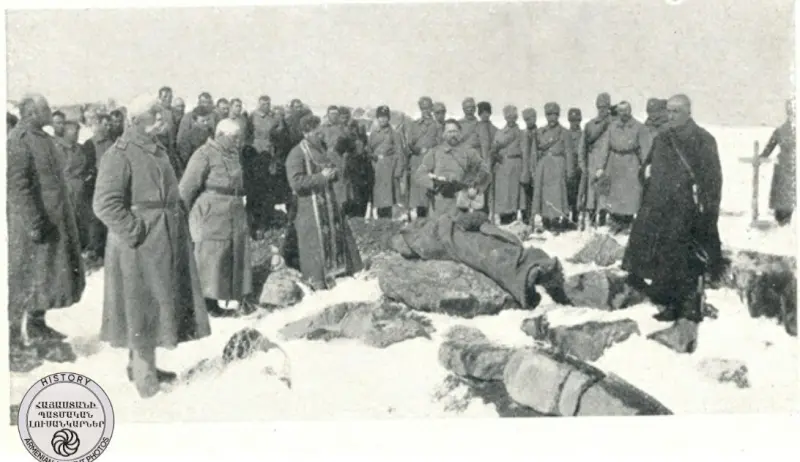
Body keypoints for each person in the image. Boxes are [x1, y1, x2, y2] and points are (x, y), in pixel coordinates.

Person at [93, 93, 210, 398]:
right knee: (141, 307)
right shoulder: (119, 154)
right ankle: (145, 379)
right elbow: (104, 204)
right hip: (139, 246)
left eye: (161, 112)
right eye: (154, 113)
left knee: (154, 305)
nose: (161, 117)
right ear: (136, 120)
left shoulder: (157, 149)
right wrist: (136, 231)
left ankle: (141, 366)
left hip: (163, 239)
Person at [622, 94, 722, 324]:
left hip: (686, 209)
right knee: (665, 257)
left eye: (676, 111)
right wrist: (646, 173)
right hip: (660, 207)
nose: (670, 115)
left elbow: (713, 180)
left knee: (687, 259)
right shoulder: (662, 137)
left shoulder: (703, 139)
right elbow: (646, 167)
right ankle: (669, 303)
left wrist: (708, 210)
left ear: (688, 112)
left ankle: (690, 306)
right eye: (668, 110)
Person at [7, 93, 85, 351]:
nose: (50, 112)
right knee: (23, 283)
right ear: (32, 113)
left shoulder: (44, 138)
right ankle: (12, 343)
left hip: (52, 222)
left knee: (45, 278)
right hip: (32, 226)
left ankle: (37, 326)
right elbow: (18, 188)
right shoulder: (18, 140)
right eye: (46, 109)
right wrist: (33, 223)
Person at [389, 211, 570, 309]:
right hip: (456, 240)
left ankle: (534, 270)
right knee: (488, 254)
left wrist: (457, 222)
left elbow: (458, 221)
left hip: (457, 235)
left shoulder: (425, 231)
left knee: (491, 252)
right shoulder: (421, 238)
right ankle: (533, 271)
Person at [179, 119, 252, 318]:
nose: (238, 141)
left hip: (233, 209)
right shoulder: (203, 154)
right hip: (212, 213)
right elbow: (186, 188)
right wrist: (184, 217)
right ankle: (206, 304)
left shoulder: (233, 154)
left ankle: (227, 298)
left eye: (239, 137)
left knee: (230, 254)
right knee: (211, 257)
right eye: (234, 137)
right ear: (220, 135)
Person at [284, 114, 363, 290]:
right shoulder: (297, 153)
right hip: (309, 206)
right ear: (306, 133)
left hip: (328, 203)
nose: (321, 136)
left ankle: (340, 273)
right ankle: (317, 281)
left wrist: (333, 173)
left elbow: (331, 170)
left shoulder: (321, 149)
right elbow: (295, 183)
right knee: (314, 244)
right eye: (316, 133)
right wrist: (321, 177)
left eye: (321, 132)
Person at [415, 119, 491, 218]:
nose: (453, 135)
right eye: (449, 132)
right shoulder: (434, 152)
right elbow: (419, 175)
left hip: (461, 203)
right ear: (443, 134)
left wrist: (475, 187)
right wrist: (435, 185)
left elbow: (485, 170)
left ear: (460, 133)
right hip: (439, 204)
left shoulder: (469, 151)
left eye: (455, 131)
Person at [595, 101, 652, 234]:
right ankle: (615, 222)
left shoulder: (639, 127)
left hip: (631, 163)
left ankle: (628, 222)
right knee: (614, 195)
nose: (623, 113)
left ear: (630, 110)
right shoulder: (612, 127)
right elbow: (604, 147)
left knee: (630, 195)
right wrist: (600, 167)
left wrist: (646, 167)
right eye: (620, 111)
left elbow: (645, 149)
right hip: (614, 164)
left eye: (626, 110)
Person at [529, 102, 576, 231]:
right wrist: (533, 170)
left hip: (558, 166)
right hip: (543, 168)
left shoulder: (564, 132)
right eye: (549, 115)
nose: (552, 118)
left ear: (558, 115)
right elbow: (534, 152)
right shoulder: (539, 132)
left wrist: (569, 171)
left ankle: (556, 222)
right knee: (543, 195)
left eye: (554, 115)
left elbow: (569, 153)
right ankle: (545, 221)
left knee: (557, 196)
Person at [246, 94, 285, 237]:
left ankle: (265, 223)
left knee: (268, 191)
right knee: (254, 191)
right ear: (258, 104)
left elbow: (280, 134)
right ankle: (252, 224)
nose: (265, 106)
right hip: (255, 157)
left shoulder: (273, 118)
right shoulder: (252, 117)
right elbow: (247, 135)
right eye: (263, 104)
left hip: (270, 157)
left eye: (267, 104)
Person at [82, 114, 115, 264]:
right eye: (105, 124)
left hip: (112, 184)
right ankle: (95, 251)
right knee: (96, 219)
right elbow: (87, 166)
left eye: (109, 125)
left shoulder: (113, 142)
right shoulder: (89, 144)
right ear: (98, 125)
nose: (108, 127)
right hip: (97, 185)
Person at [54, 121, 92, 250]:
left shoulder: (80, 149)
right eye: (73, 131)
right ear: (65, 132)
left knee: (81, 220)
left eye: (77, 131)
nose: (76, 134)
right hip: (66, 190)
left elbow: (85, 166)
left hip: (80, 190)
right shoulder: (58, 149)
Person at [577, 92, 613, 227]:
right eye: (600, 107)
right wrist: (582, 164)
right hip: (592, 163)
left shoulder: (614, 124)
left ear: (609, 107)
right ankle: (591, 223)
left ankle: (603, 223)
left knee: (604, 195)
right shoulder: (590, 125)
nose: (602, 110)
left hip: (608, 162)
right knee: (591, 196)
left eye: (605, 107)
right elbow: (582, 146)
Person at [759, 99, 796, 226]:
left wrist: (761, 157)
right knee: (783, 204)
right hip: (784, 170)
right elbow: (768, 149)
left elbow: (767, 151)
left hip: (790, 169)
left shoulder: (781, 130)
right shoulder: (780, 130)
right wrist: (760, 158)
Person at [404, 96, 441, 219]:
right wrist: (417, 149)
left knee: (429, 192)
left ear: (431, 109)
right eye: (423, 108)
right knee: (418, 194)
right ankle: (418, 218)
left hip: (431, 163)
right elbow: (409, 143)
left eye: (428, 108)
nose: (425, 111)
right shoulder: (414, 125)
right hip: (417, 161)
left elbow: (441, 144)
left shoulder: (437, 126)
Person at [490, 105, 525, 224]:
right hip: (502, 166)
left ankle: (513, 217)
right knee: (503, 194)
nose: (511, 119)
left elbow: (524, 151)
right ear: (505, 118)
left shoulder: (521, 133)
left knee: (514, 194)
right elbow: (493, 148)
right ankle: (504, 218)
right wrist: (496, 156)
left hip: (516, 165)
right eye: (508, 117)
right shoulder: (499, 133)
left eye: (513, 117)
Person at [177, 105, 214, 175]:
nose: (206, 123)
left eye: (208, 119)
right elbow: (185, 160)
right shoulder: (187, 137)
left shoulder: (212, 133)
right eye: (203, 121)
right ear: (195, 121)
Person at [475, 101, 498, 214]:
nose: (485, 115)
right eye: (482, 112)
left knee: (490, 191)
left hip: (491, 164)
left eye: (487, 112)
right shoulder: (475, 128)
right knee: (478, 191)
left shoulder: (494, 129)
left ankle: (488, 214)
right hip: (478, 165)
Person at [520, 107, 538, 223]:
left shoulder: (540, 133)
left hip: (537, 169)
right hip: (525, 170)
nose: (529, 121)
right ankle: (526, 219)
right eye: (526, 119)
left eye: (531, 118)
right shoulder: (522, 134)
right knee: (525, 197)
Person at [566, 108, 583, 224]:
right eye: (572, 120)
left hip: (579, 167)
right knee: (568, 194)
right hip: (568, 167)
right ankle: (567, 217)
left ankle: (576, 218)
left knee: (578, 194)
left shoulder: (583, 134)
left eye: (576, 120)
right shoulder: (565, 134)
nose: (574, 123)